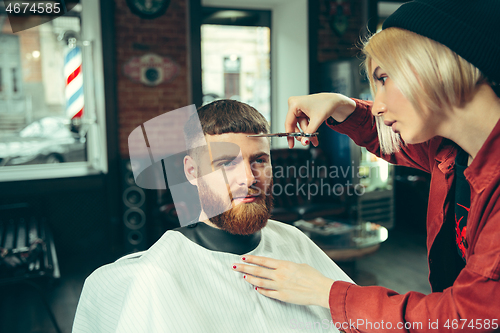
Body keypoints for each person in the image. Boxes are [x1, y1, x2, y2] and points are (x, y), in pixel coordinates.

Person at [232, 0, 500, 332]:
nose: (378, 105)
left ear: (440, 65)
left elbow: (468, 317)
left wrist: (326, 292)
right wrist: (341, 105)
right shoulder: (452, 151)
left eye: (384, 78)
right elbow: (390, 140)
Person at [72, 100, 353, 333]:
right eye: (225, 164)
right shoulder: (161, 275)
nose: (247, 178)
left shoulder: (292, 240)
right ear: (192, 172)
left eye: (259, 160)